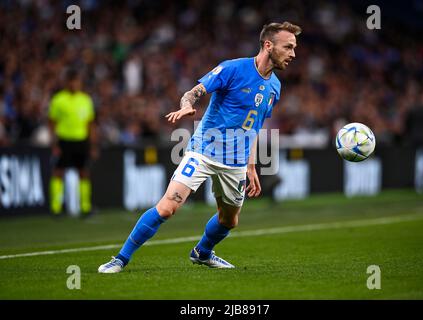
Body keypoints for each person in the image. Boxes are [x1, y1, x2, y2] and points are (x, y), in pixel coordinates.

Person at [98, 21, 301, 273]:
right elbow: (194, 92)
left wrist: (251, 165)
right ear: (268, 45)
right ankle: (120, 258)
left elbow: (254, 126)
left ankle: (202, 253)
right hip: (204, 151)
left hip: (236, 162)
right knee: (168, 206)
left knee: (229, 220)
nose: (293, 54)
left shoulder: (275, 87)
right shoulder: (233, 69)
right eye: (288, 47)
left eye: (294, 48)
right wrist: (185, 105)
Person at [48, 69, 98, 217]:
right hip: (64, 141)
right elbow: (52, 123)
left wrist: (92, 144)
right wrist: (54, 143)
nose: (74, 84)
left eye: (77, 81)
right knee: (58, 172)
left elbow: (90, 124)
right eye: (72, 81)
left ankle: (85, 207)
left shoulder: (86, 100)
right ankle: (56, 207)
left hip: (81, 141)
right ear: (67, 82)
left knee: (83, 172)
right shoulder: (58, 100)